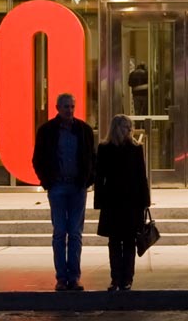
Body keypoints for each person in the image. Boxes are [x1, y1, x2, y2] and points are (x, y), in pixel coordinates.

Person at [32, 93, 99, 291]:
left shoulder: (84, 130)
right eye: (66, 107)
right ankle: (61, 278)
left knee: (76, 233)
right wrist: (47, 182)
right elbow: (38, 158)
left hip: (78, 187)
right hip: (58, 187)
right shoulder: (47, 131)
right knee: (60, 232)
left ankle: (74, 277)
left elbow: (92, 157)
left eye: (72, 106)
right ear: (57, 108)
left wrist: (88, 180)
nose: (69, 110)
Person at [94, 114, 152, 292]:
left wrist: (145, 202)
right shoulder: (105, 148)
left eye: (130, 127)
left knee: (128, 241)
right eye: (126, 127)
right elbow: (100, 176)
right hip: (112, 201)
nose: (130, 130)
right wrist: (99, 201)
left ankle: (127, 278)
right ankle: (116, 278)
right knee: (114, 242)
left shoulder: (135, 148)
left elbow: (142, 177)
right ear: (117, 128)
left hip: (131, 202)